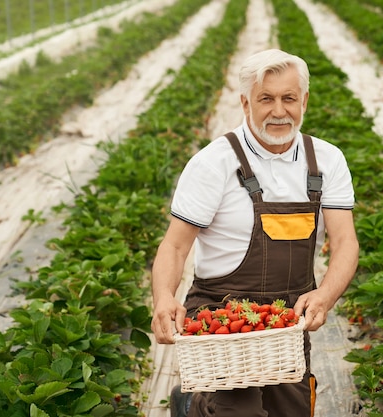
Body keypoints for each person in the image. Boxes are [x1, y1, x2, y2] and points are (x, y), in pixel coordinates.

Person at [150, 48, 359, 417]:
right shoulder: (213, 163)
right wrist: (164, 297)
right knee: (238, 412)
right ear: (245, 103)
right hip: (220, 316)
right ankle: (198, 404)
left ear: (304, 101)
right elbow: (175, 246)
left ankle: (193, 402)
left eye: (288, 98)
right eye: (266, 99)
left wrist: (325, 296)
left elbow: (344, 242)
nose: (279, 111)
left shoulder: (327, 160)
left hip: (285, 318)